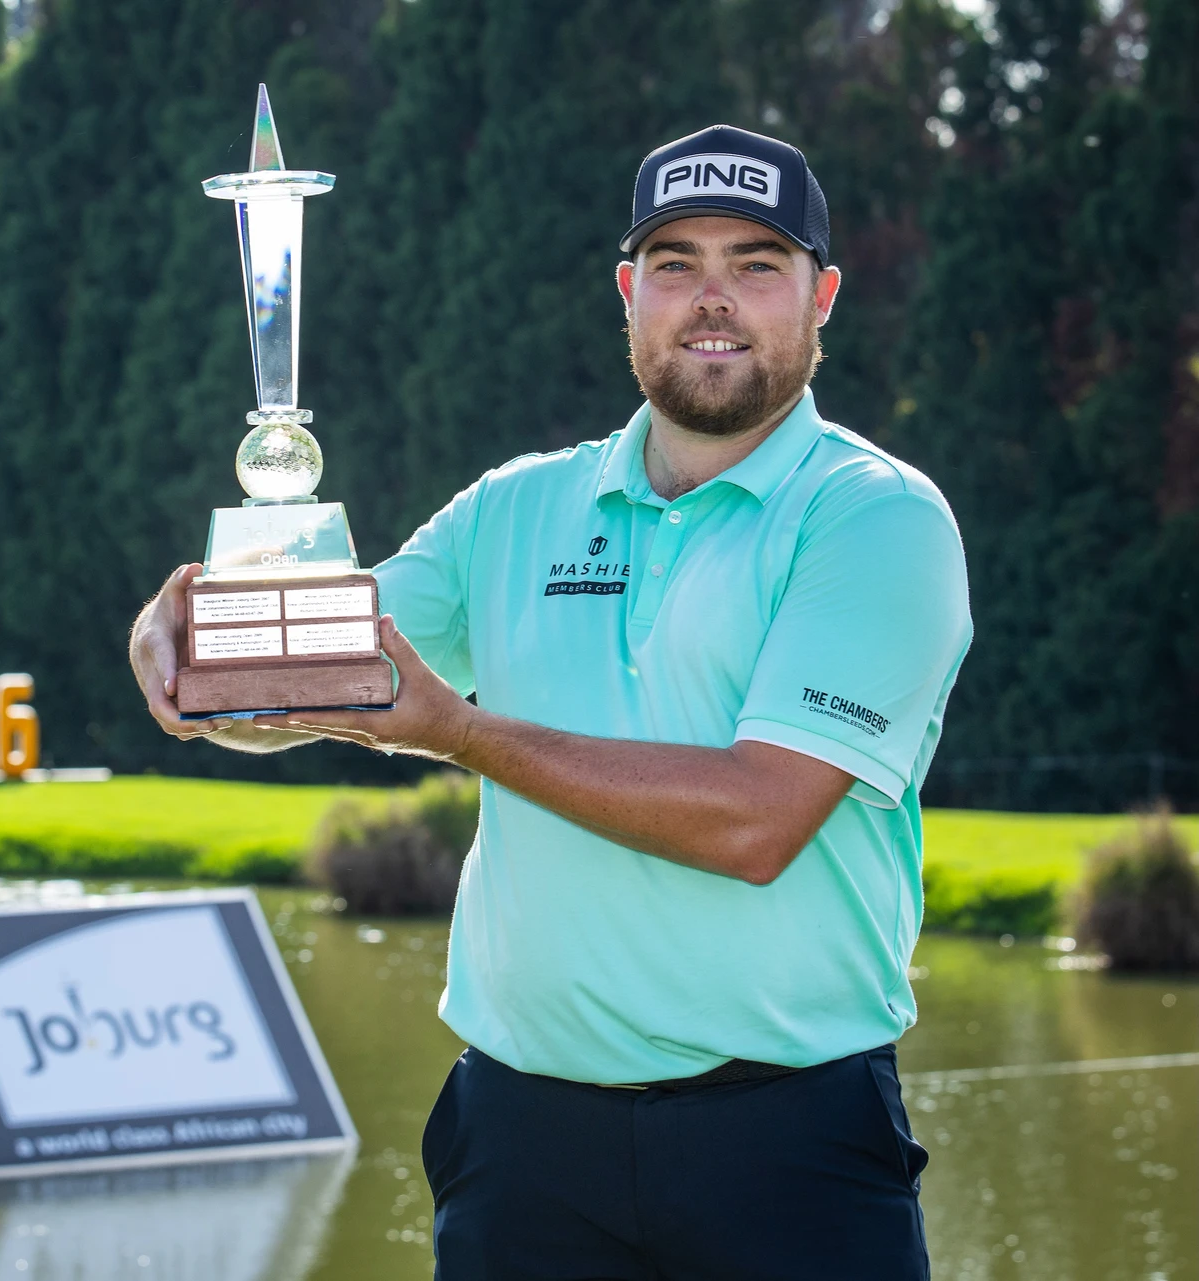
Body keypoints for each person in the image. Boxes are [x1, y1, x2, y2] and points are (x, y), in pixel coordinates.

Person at [130, 123, 970, 1279]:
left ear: (821, 298)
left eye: (756, 265)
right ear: (629, 294)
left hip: (789, 1148)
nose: (712, 299)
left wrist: (460, 732)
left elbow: (756, 820)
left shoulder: (875, 517)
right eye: (676, 265)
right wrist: (197, 638)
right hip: (524, 1147)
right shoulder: (515, 507)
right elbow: (320, 680)